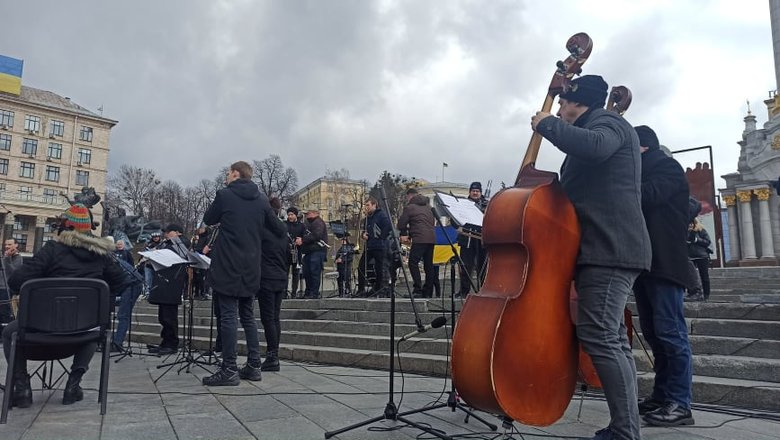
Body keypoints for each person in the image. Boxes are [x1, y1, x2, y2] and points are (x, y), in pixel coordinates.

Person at [531, 75, 652, 440]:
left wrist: (546, 124)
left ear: (576, 103)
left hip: (609, 249)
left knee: (601, 336)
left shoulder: (608, 122)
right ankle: (624, 427)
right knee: (610, 337)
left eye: (562, 105)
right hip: (603, 248)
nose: (559, 111)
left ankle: (625, 432)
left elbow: (596, 147)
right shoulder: (596, 127)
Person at [3, 204, 125, 408]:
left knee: (9, 333)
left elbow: (16, 282)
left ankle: (22, 387)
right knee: (95, 326)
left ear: (66, 226)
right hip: (83, 334)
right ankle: (73, 385)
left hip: (40, 330)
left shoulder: (51, 249)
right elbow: (121, 282)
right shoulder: (101, 255)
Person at [631, 125, 695, 428]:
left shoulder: (667, 167)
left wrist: (618, 179)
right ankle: (661, 396)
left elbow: (648, 195)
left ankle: (680, 403)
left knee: (672, 334)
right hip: (645, 264)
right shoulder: (644, 169)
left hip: (666, 264)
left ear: (642, 147)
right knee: (655, 335)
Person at [202, 161, 285, 386]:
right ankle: (254, 366)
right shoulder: (262, 200)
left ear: (236, 174)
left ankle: (229, 369)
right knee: (247, 315)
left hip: (228, 264)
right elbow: (279, 229)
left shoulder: (225, 195)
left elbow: (209, 219)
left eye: (228, 173)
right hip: (251, 266)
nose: (227, 176)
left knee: (228, 315)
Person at [147, 224, 189, 356]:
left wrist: (160, 252)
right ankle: (165, 342)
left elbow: (180, 256)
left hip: (172, 284)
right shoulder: (167, 243)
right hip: (163, 283)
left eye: (168, 232)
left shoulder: (182, 242)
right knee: (163, 316)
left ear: (177, 232)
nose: (165, 234)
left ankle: (171, 344)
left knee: (169, 317)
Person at [257, 197, 288, 372]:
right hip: (281, 276)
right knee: (275, 318)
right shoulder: (283, 231)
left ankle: (272, 357)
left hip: (267, 277)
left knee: (268, 318)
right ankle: (274, 355)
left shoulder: (262, 231)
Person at [397, 188, 436, 297]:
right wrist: (411, 234)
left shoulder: (410, 207)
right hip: (431, 238)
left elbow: (401, 223)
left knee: (412, 262)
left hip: (420, 239)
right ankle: (428, 291)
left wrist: (404, 233)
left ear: (409, 196)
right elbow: (427, 223)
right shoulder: (429, 207)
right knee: (428, 265)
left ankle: (417, 289)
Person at [111, 239, 143, 352]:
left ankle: (117, 343)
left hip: (132, 284)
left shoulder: (116, 257)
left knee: (123, 314)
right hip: (124, 284)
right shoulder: (111, 256)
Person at [356, 197, 392, 297]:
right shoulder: (367, 218)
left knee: (379, 269)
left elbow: (388, 226)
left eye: (368, 205)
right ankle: (361, 289)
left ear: (374, 205)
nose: (366, 207)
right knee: (361, 267)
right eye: (365, 205)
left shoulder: (381, 215)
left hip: (379, 246)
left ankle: (379, 289)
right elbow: (365, 230)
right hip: (369, 246)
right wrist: (363, 234)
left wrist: (381, 237)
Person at [457, 182, 488, 297]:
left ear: (480, 192)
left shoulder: (487, 204)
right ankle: (464, 291)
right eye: (473, 191)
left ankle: (484, 290)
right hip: (467, 239)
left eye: (477, 191)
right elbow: (456, 218)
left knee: (483, 267)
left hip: (481, 239)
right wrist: (457, 226)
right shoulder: (462, 204)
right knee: (465, 266)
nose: (475, 193)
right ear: (470, 192)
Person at [296, 208, 328, 299]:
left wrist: (303, 239)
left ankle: (314, 293)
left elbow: (316, 235)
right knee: (307, 273)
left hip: (317, 251)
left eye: (308, 213)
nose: (306, 215)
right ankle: (308, 292)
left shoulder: (319, 223)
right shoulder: (308, 223)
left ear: (315, 213)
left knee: (314, 272)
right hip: (309, 251)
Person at [686, 218, 712, 302]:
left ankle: (706, 295)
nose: (690, 225)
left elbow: (707, 242)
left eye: (691, 223)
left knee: (704, 276)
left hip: (702, 256)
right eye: (689, 223)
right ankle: (691, 293)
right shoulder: (685, 232)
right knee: (690, 276)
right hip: (690, 256)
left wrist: (697, 240)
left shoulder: (701, 230)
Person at [1, 238, 23, 326]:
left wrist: (7, 258)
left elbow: (12, 272)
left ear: (16, 245)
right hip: (2, 287)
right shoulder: (5, 257)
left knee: (4, 312)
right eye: (6, 244)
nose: (7, 246)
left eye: (9, 244)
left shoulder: (18, 258)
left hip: (6, 288)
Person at [285, 207, 306, 297]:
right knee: (285, 273)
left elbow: (305, 237)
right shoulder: (284, 224)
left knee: (296, 273)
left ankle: (294, 292)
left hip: (297, 252)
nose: (290, 216)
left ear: (296, 215)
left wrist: (301, 240)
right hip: (286, 252)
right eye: (288, 215)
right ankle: (284, 292)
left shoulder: (302, 226)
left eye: (292, 214)